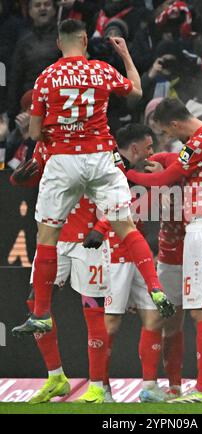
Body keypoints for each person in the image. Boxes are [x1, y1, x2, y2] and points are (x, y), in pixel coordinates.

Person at [12, 19, 175, 337]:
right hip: (100, 157)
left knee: (46, 237)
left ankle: (42, 313)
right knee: (126, 228)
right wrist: (126, 55)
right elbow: (137, 93)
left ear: (59, 44)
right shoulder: (101, 69)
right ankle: (155, 288)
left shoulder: (46, 77)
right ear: (85, 40)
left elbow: (33, 132)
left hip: (62, 160)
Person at [125, 98, 202, 403]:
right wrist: (164, 161)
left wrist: (127, 174)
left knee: (201, 309)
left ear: (174, 124)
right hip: (201, 227)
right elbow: (176, 164)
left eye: (168, 133)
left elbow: (166, 178)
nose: (172, 140)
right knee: (194, 310)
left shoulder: (198, 141)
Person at [83, 123, 184, 402]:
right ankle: (100, 387)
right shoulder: (110, 169)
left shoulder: (129, 172)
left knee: (153, 316)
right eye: (149, 147)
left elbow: (180, 163)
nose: (152, 152)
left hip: (135, 250)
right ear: (136, 148)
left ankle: (149, 387)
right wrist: (102, 229)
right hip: (112, 252)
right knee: (111, 323)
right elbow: (109, 208)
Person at [10, 141, 112, 404]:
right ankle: (56, 378)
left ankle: (98, 386)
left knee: (93, 310)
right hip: (54, 239)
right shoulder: (46, 145)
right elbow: (39, 180)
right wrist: (20, 177)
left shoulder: (99, 142)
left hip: (89, 240)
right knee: (36, 303)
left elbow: (119, 192)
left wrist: (102, 226)